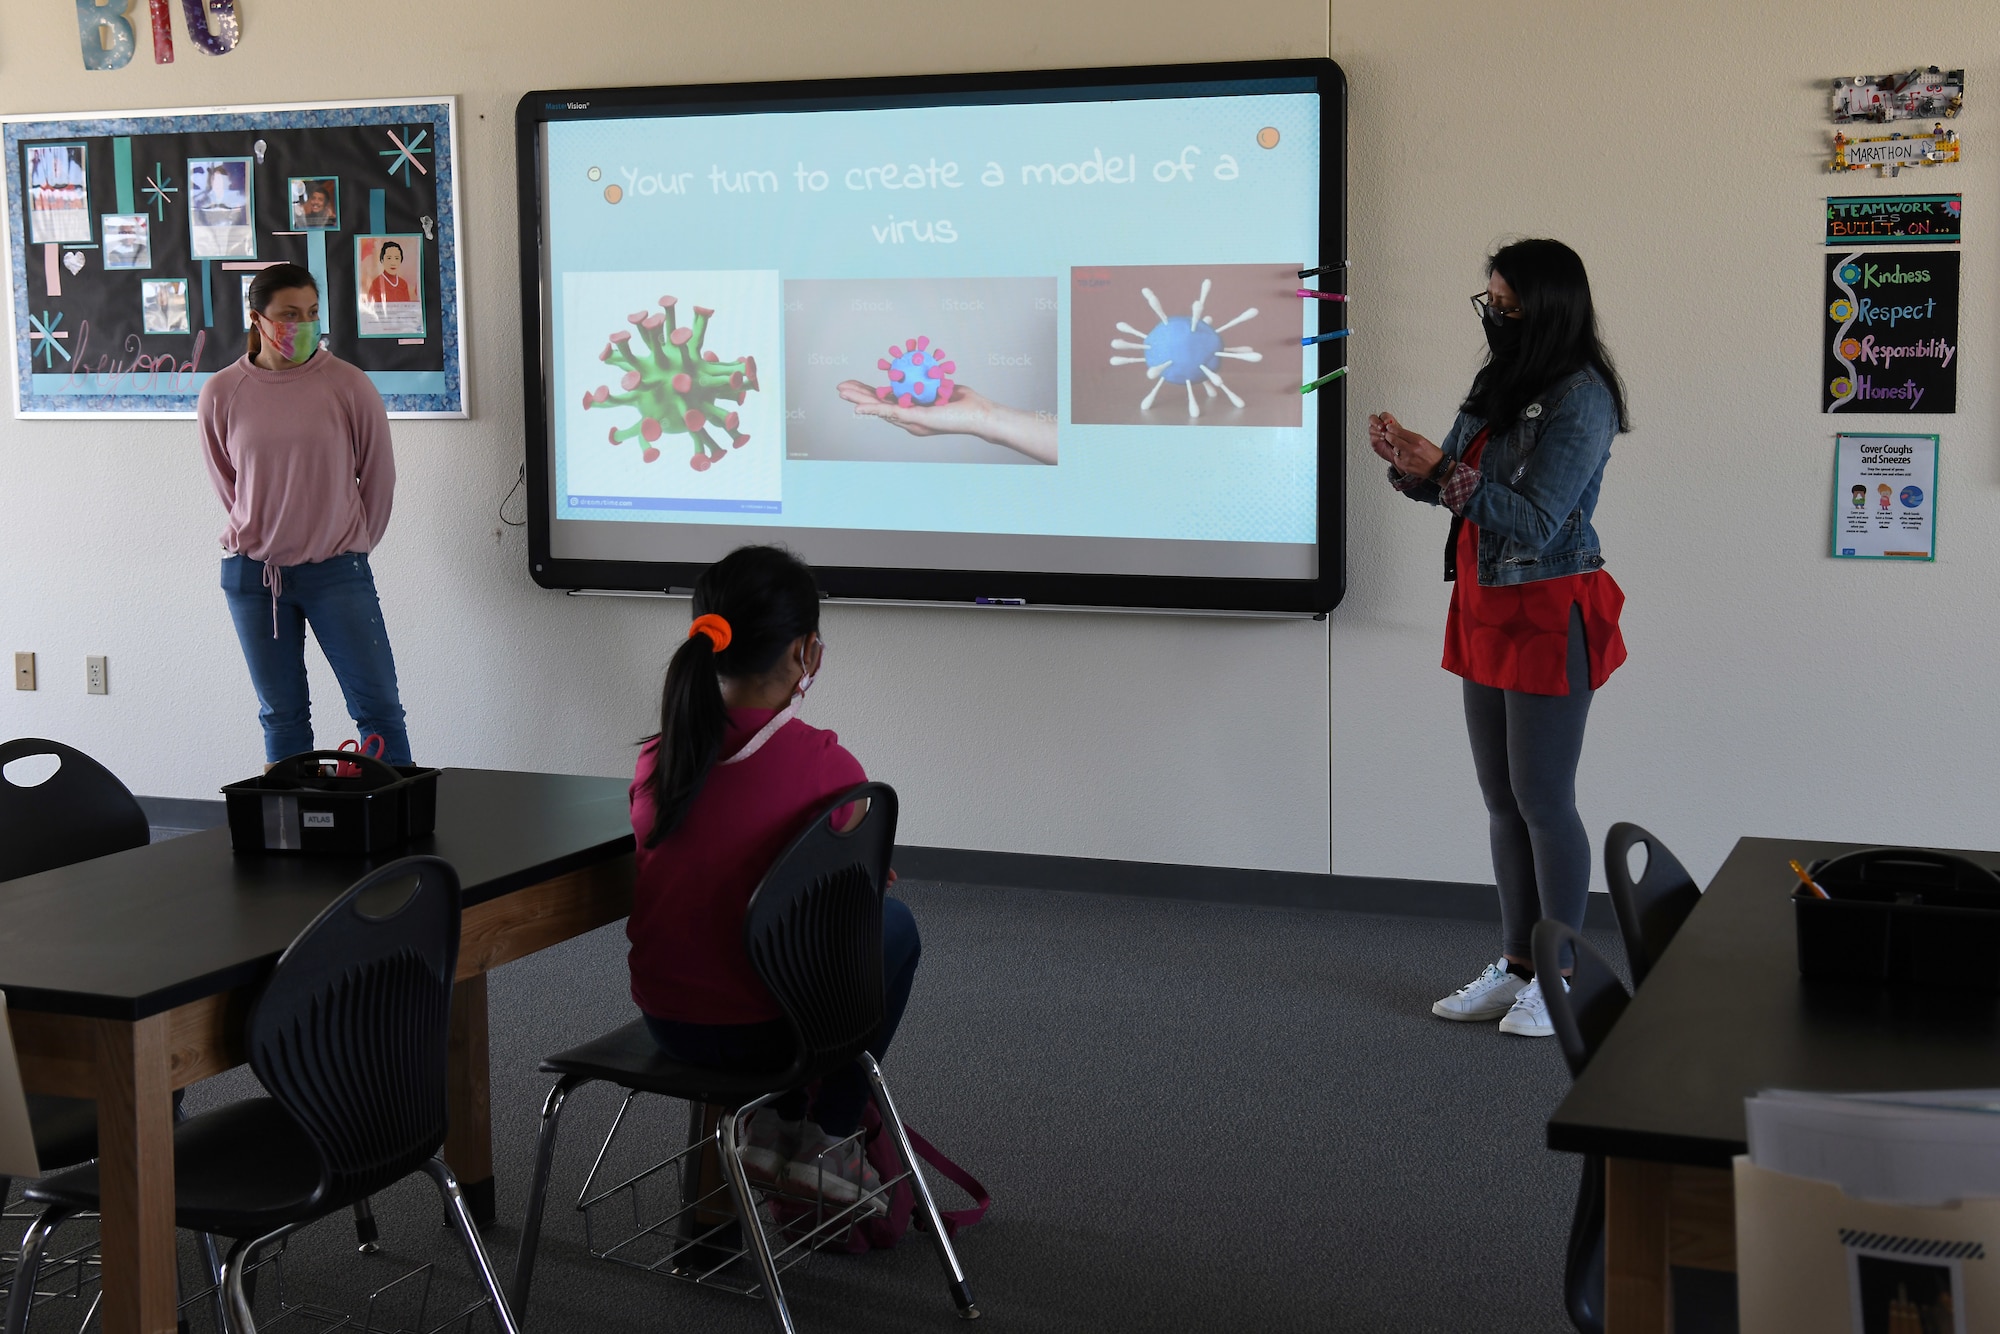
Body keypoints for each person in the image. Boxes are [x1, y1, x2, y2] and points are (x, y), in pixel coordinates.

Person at [1370, 237, 1628, 1039]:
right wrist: (1413, 467)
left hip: (1549, 607)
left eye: (1508, 304)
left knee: (1545, 800)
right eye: (1491, 301)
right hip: (1485, 601)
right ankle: (1518, 964)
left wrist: (1441, 468)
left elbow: (1539, 519)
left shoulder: (1584, 396)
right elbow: (1462, 490)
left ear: (1547, 307)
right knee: (1502, 801)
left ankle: (1564, 974)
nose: (1496, 316)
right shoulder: (1499, 381)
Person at [628, 544, 919, 1210]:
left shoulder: (657, 759)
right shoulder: (825, 763)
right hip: (765, 1034)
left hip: (668, 1023)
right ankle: (829, 1133)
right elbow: (858, 897)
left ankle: (773, 1123)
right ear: (804, 654)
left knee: (742, 939)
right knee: (892, 929)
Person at [199, 262, 411, 765]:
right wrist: (268, 532)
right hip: (254, 578)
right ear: (258, 319)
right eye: (289, 314)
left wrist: (345, 544)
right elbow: (230, 487)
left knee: (378, 712)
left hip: (338, 572)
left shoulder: (348, 384)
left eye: (312, 312)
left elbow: (378, 479)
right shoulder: (223, 392)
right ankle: (289, 837)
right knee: (282, 715)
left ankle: (395, 829)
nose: (304, 324)